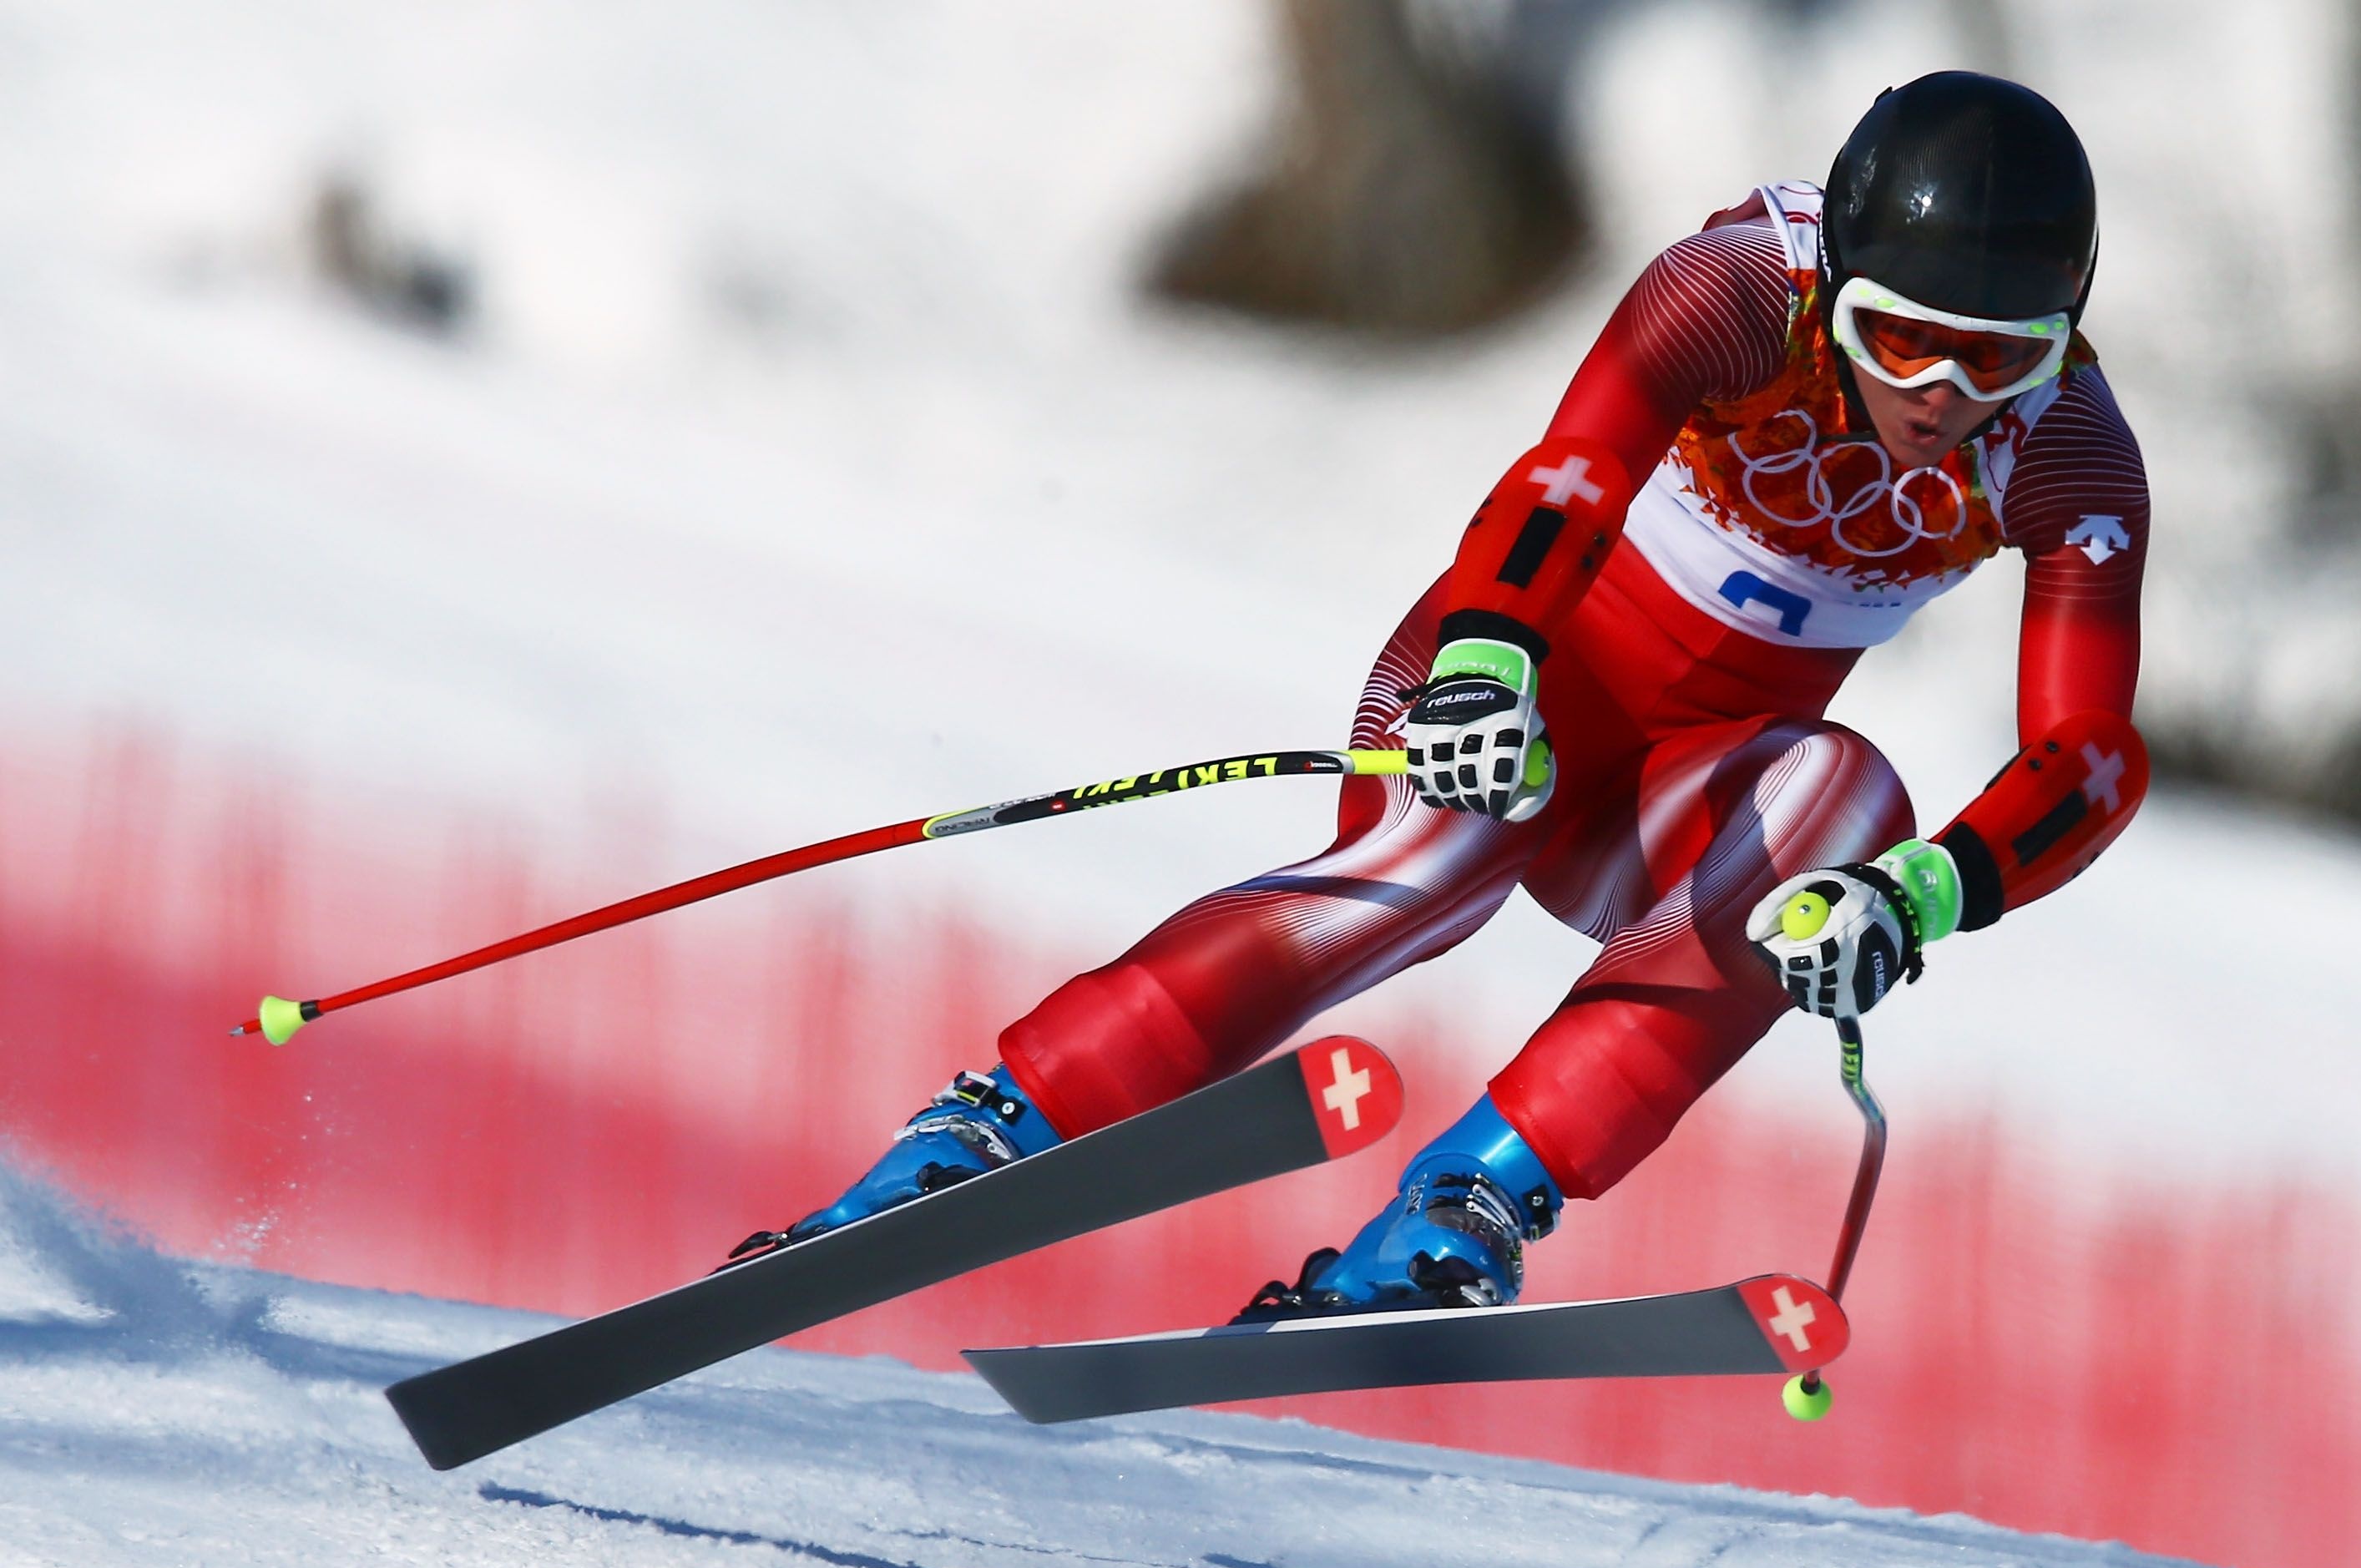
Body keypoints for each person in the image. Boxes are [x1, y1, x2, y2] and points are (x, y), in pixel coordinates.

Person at [754, 70, 2151, 1317]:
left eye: (2001, 353)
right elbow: (1569, 477)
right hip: (1517, 686)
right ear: (1837, 280)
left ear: (2063, 337)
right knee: (1443, 860)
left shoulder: (2071, 456)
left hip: (1677, 800)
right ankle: (1000, 1125)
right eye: (1901, 337)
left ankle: (1471, 1201)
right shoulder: (1736, 292)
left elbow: (2088, 753)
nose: (1946, 392)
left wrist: (1920, 894)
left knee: (1857, 802)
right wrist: (1489, 658)